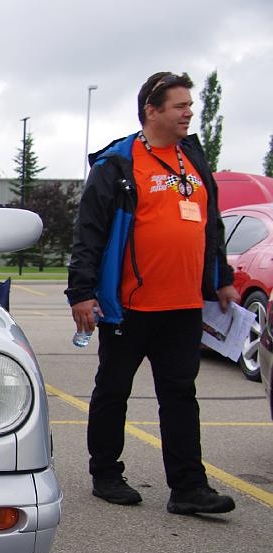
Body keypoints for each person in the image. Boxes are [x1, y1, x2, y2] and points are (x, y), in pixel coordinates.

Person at [66, 71, 238, 515]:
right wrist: (81, 292)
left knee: (180, 395)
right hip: (129, 307)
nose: (189, 112)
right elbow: (90, 232)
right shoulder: (118, 164)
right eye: (180, 105)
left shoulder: (193, 161)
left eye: (189, 105)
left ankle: (188, 488)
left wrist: (221, 278)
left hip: (183, 306)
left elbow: (210, 224)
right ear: (152, 110)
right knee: (114, 390)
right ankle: (106, 473)